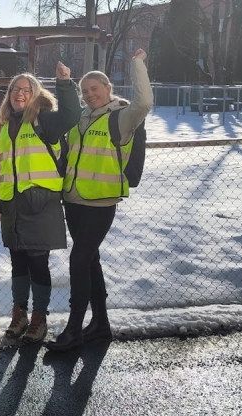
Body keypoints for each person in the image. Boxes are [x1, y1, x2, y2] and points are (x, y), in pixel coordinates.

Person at [47, 49, 153, 352]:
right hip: (73, 200)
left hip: (101, 203)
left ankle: (74, 329)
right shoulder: (81, 118)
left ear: (108, 89)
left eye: (95, 88)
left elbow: (144, 102)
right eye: (85, 90)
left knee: (79, 259)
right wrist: (65, 82)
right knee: (89, 260)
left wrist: (136, 64)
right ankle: (101, 324)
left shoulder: (121, 117)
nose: (90, 94)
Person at [0, 63, 81, 345]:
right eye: (15, 89)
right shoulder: (7, 126)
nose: (20, 93)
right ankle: (19, 314)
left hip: (40, 203)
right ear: (9, 94)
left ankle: (39, 318)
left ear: (35, 93)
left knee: (37, 262)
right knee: (18, 262)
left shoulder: (45, 120)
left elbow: (71, 115)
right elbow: (7, 167)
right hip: (13, 205)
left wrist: (65, 83)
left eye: (26, 89)